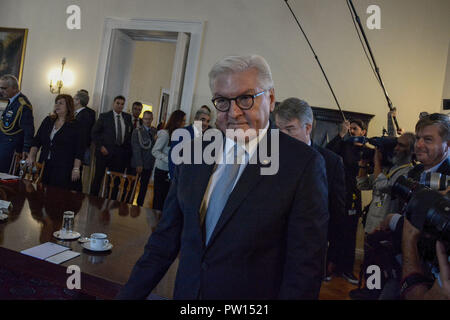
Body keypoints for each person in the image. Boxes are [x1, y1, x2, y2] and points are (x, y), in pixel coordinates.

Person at [117, 54, 328, 300]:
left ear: (270, 99)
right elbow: (164, 241)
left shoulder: (302, 165)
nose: (234, 112)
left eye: (246, 98)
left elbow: (303, 272)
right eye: (222, 101)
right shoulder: (194, 152)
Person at [273, 97, 345, 283]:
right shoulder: (267, 158)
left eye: (290, 129)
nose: (282, 136)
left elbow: (337, 213)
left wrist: (333, 255)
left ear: (308, 127)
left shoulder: (331, 162)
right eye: (279, 129)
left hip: (307, 254)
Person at [326, 118, 367, 284]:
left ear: (363, 132)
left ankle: (346, 270)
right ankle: (328, 267)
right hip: (337, 194)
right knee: (334, 230)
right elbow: (327, 154)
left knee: (350, 233)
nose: (352, 131)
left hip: (354, 195)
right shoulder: (342, 145)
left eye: (355, 129)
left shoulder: (366, 150)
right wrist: (341, 135)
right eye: (350, 129)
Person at [26, 94, 83, 190]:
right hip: (44, 165)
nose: (57, 105)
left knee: (56, 196)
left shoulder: (75, 125)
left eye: (61, 103)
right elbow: (36, 141)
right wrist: (31, 156)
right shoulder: (48, 120)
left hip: (63, 167)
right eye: (56, 103)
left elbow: (79, 149)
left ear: (68, 106)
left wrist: (76, 168)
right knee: (40, 194)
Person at [90, 95, 133, 198]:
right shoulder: (104, 116)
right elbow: (94, 133)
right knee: (98, 178)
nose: (120, 106)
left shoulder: (127, 117)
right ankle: (91, 200)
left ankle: (111, 202)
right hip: (104, 152)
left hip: (119, 154)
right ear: (113, 103)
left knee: (115, 180)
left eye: (122, 104)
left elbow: (129, 135)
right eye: (118, 103)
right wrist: (101, 147)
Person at [151, 109, 186, 211]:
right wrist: (170, 159)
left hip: (171, 172)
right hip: (162, 171)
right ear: (177, 121)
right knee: (158, 201)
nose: (184, 123)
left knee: (166, 202)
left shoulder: (179, 135)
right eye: (183, 121)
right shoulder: (165, 134)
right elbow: (155, 151)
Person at [0, 74, 34, 173]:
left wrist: (26, 148)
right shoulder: (12, 102)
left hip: (12, 149)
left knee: (6, 181)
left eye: (4, 88)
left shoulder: (23, 105)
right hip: (4, 145)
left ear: (14, 88)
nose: (1, 91)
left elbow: (29, 129)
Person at [168, 108, 211, 179]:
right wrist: (174, 179)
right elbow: (173, 159)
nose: (205, 123)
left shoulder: (205, 138)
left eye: (208, 121)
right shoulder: (181, 133)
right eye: (202, 120)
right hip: (179, 179)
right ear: (195, 119)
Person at [131, 111, 157, 207]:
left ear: (152, 119)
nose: (147, 121)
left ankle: (139, 206)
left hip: (149, 164)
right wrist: (139, 164)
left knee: (144, 187)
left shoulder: (155, 131)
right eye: (146, 119)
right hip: (138, 163)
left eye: (149, 119)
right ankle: (129, 203)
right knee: (133, 186)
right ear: (143, 119)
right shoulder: (137, 131)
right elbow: (136, 148)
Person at [73, 89, 96, 191]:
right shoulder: (78, 113)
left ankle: (77, 200)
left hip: (77, 149)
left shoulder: (84, 115)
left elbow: (82, 136)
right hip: (76, 149)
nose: (72, 100)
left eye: (74, 98)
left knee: (76, 176)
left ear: (78, 101)